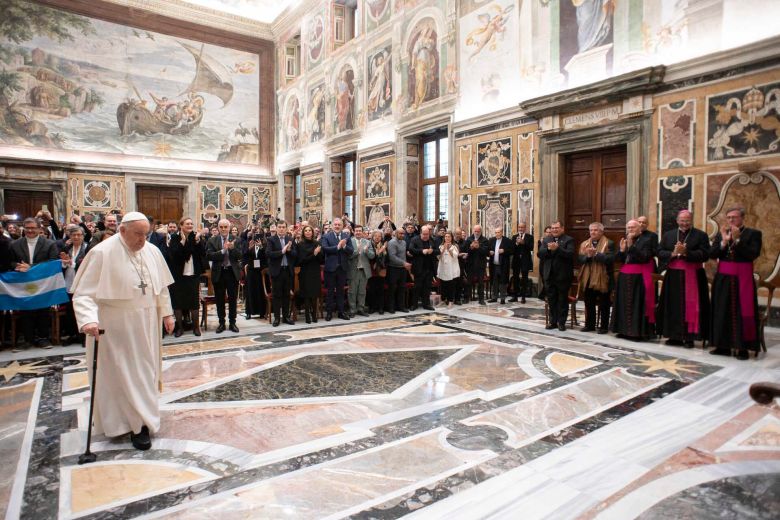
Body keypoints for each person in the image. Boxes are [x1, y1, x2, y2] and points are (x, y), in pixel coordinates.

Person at [72, 212, 175, 450]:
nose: (142, 240)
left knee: (146, 371)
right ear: (122, 231)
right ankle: (131, 425)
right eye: (138, 234)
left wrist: (167, 313)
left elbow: (161, 288)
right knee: (121, 374)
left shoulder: (152, 251)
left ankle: (143, 420)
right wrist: (88, 320)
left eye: (146, 234)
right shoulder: (102, 252)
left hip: (148, 322)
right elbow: (84, 293)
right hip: (115, 324)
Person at [709, 207, 763, 360]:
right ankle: (722, 346)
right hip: (723, 279)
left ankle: (743, 348)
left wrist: (738, 240)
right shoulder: (722, 234)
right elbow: (712, 254)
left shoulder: (753, 234)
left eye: (734, 217)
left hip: (742, 278)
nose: (731, 220)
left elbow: (752, 254)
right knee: (722, 310)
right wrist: (724, 242)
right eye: (729, 217)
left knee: (743, 312)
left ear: (742, 218)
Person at [657, 210, 710, 348]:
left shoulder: (701, 235)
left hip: (693, 275)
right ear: (677, 220)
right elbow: (659, 252)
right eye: (682, 220)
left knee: (691, 306)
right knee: (672, 305)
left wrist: (687, 253)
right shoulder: (668, 235)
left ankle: (689, 338)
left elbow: (705, 254)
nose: (684, 223)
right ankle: (674, 336)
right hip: (673, 276)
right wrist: (673, 253)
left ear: (691, 220)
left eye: (687, 220)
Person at [10, 217, 59, 347]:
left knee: (43, 310)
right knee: (26, 310)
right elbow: (10, 262)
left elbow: (53, 262)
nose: (30, 230)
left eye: (33, 228)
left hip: (43, 284)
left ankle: (43, 338)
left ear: (39, 228)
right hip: (23, 283)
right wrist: (17, 266)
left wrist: (31, 267)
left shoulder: (50, 244)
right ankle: (28, 339)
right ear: (23, 228)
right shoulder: (15, 244)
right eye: (27, 228)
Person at [611, 219, 657, 340]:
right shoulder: (625, 240)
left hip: (639, 278)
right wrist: (621, 251)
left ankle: (637, 332)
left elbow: (645, 258)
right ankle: (622, 330)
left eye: (633, 227)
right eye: (629, 228)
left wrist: (631, 247)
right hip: (625, 277)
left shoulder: (647, 241)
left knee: (638, 304)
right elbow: (620, 260)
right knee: (623, 303)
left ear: (639, 229)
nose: (630, 230)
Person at [168, 217, 206, 337]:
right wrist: (184, 243)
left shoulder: (196, 236)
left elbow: (202, 253)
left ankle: (196, 328)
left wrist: (198, 241)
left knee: (194, 302)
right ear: (181, 225)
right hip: (178, 276)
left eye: (191, 223)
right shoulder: (175, 237)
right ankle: (180, 328)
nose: (190, 225)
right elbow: (177, 255)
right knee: (177, 303)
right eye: (187, 224)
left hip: (193, 275)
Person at [577, 222, 615, 334]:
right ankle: (590, 325)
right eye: (591, 230)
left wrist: (597, 255)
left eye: (596, 230)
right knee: (589, 303)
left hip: (604, 278)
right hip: (588, 278)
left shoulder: (609, 243)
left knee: (604, 304)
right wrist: (588, 257)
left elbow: (611, 259)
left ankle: (603, 327)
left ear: (602, 231)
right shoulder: (585, 244)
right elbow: (580, 259)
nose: (593, 232)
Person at [205, 219, 241, 333]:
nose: (224, 229)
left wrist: (232, 249)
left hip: (232, 272)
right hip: (219, 273)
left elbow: (240, 255)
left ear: (229, 228)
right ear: (218, 228)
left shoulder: (237, 240)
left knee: (232, 299)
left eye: (226, 227)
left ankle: (232, 323)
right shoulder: (212, 240)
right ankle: (221, 323)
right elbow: (209, 255)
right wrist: (222, 251)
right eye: (222, 227)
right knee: (219, 299)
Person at [538, 221, 575, 331]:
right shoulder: (546, 240)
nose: (554, 230)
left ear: (562, 228)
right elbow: (539, 254)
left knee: (562, 300)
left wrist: (557, 248)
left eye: (557, 228)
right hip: (549, 275)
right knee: (552, 300)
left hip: (563, 276)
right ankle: (553, 321)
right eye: (553, 228)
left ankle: (561, 323)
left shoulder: (569, 240)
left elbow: (570, 254)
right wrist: (549, 249)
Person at [321, 218, 353, 320]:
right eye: (335, 224)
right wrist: (338, 247)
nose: (337, 226)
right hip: (330, 269)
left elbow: (351, 251)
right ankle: (329, 313)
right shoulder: (326, 236)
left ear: (342, 226)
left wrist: (344, 247)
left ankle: (341, 312)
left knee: (340, 292)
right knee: (330, 292)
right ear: (332, 226)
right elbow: (325, 249)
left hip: (342, 268)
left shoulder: (346, 236)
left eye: (339, 224)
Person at [266, 220, 297, 326]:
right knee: (277, 295)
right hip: (277, 271)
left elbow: (295, 254)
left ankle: (286, 317)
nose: (281, 229)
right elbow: (269, 254)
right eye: (279, 227)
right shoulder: (271, 239)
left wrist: (289, 251)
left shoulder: (290, 239)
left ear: (286, 228)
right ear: (276, 228)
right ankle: (277, 318)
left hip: (287, 270)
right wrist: (282, 251)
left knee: (286, 295)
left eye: (283, 227)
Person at [296, 225, 323, 323]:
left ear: (312, 232)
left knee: (314, 294)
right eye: (306, 231)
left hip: (315, 271)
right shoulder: (300, 244)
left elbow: (321, 259)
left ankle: (314, 315)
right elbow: (301, 260)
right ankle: (307, 316)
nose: (308, 232)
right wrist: (314, 254)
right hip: (305, 272)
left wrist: (318, 254)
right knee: (307, 295)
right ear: (303, 233)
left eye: (309, 230)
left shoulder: (317, 243)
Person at [409, 225, 438, 310]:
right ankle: (414, 304)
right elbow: (411, 249)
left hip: (429, 268)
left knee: (427, 287)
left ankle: (426, 304)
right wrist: (422, 251)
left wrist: (432, 251)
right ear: (420, 233)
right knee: (417, 287)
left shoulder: (432, 240)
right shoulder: (414, 239)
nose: (426, 236)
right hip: (418, 268)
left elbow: (438, 251)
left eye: (427, 234)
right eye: (424, 234)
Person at [348, 225, 373, 317]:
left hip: (364, 270)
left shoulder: (367, 242)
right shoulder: (349, 241)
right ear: (353, 232)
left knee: (362, 291)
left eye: (359, 231)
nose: (358, 232)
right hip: (353, 270)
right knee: (352, 291)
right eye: (356, 231)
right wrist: (356, 252)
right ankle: (352, 309)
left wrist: (367, 251)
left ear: (362, 232)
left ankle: (361, 308)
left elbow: (372, 256)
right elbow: (347, 256)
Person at [242, 227, 267, 320]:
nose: (257, 234)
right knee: (250, 291)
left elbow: (266, 256)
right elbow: (244, 255)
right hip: (251, 270)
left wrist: (261, 247)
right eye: (256, 233)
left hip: (261, 271)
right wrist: (249, 248)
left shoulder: (265, 244)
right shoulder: (249, 242)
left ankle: (261, 312)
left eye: (259, 233)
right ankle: (249, 312)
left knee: (260, 291)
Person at [386, 228, 411, 313]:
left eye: (403, 234)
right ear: (396, 233)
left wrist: (407, 256)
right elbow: (392, 257)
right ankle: (391, 307)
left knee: (402, 288)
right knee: (392, 289)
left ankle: (401, 306)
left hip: (402, 269)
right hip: (393, 268)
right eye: (400, 234)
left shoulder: (404, 242)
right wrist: (404, 263)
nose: (402, 235)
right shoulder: (392, 243)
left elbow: (403, 254)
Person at [464, 224, 489, 305]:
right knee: (468, 282)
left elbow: (486, 252)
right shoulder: (468, 239)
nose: (477, 232)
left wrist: (478, 247)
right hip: (470, 265)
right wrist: (471, 248)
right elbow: (465, 251)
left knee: (481, 283)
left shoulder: (484, 240)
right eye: (475, 231)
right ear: (473, 231)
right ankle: (466, 298)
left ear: (480, 231)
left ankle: (481, 299)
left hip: (481, 265)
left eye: (478, 231)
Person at [510, 222, 534, 303]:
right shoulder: (514, 237)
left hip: (525, 261)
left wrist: (524, 243)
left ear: (525, 228)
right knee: (515, 278)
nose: (520, 229)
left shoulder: (530, 237)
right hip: (516, 261)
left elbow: (531, 248)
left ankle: (523, 297)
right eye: (519, 227)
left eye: (522, 227)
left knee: (524, 279)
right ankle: (515, 296)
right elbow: (512, 250)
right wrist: (516, 243)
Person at [487, 226, 512, 304]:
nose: (497, 234)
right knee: (494, 282)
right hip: (494, 265)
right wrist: (489, 252)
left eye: (498, 232)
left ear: (502, 232)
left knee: (503, 282)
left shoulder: (507, 241)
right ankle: (494, 297)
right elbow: (487, 250)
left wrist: (504, 251)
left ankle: (502, 298)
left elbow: (512, 250)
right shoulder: (491, 240)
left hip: (503, 265)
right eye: (496, 232)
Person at [437, 231, 460, 308]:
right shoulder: (440, 246)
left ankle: (450, 301)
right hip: (443, 269)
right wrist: (444, 249)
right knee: (443, 286)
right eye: (446, 237)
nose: (447, 238)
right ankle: (443, 300)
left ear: (451, 238)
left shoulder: (454, 246)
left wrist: (449, 249)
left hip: (452, 269)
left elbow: (455, 256)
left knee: (451, 286)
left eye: (449, 237)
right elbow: (438, 257)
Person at [367, 230, 387, 314]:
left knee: (381, 290)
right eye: (375, 236)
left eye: (379, 236)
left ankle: (381, 307)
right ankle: (372, 307)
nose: (377, 238)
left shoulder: (384, 245)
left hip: (381, 269)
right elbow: (369, 256)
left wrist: (378, 262)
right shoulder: (369, 244)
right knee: (372, 290)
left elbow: (386, 258)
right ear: (372, 237)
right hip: (371, 269)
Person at [537, 226, 552, 300]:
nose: (549, 234)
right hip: (542, 262)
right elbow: (539, 253)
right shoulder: (541, 241)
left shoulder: (553, 241)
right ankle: (543, 295)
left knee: (547, 281)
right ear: (545, 233)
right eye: (547, 232)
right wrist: (542, 243)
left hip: (549, 263)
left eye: (550, 232)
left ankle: (545, 295)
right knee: (544, 279)